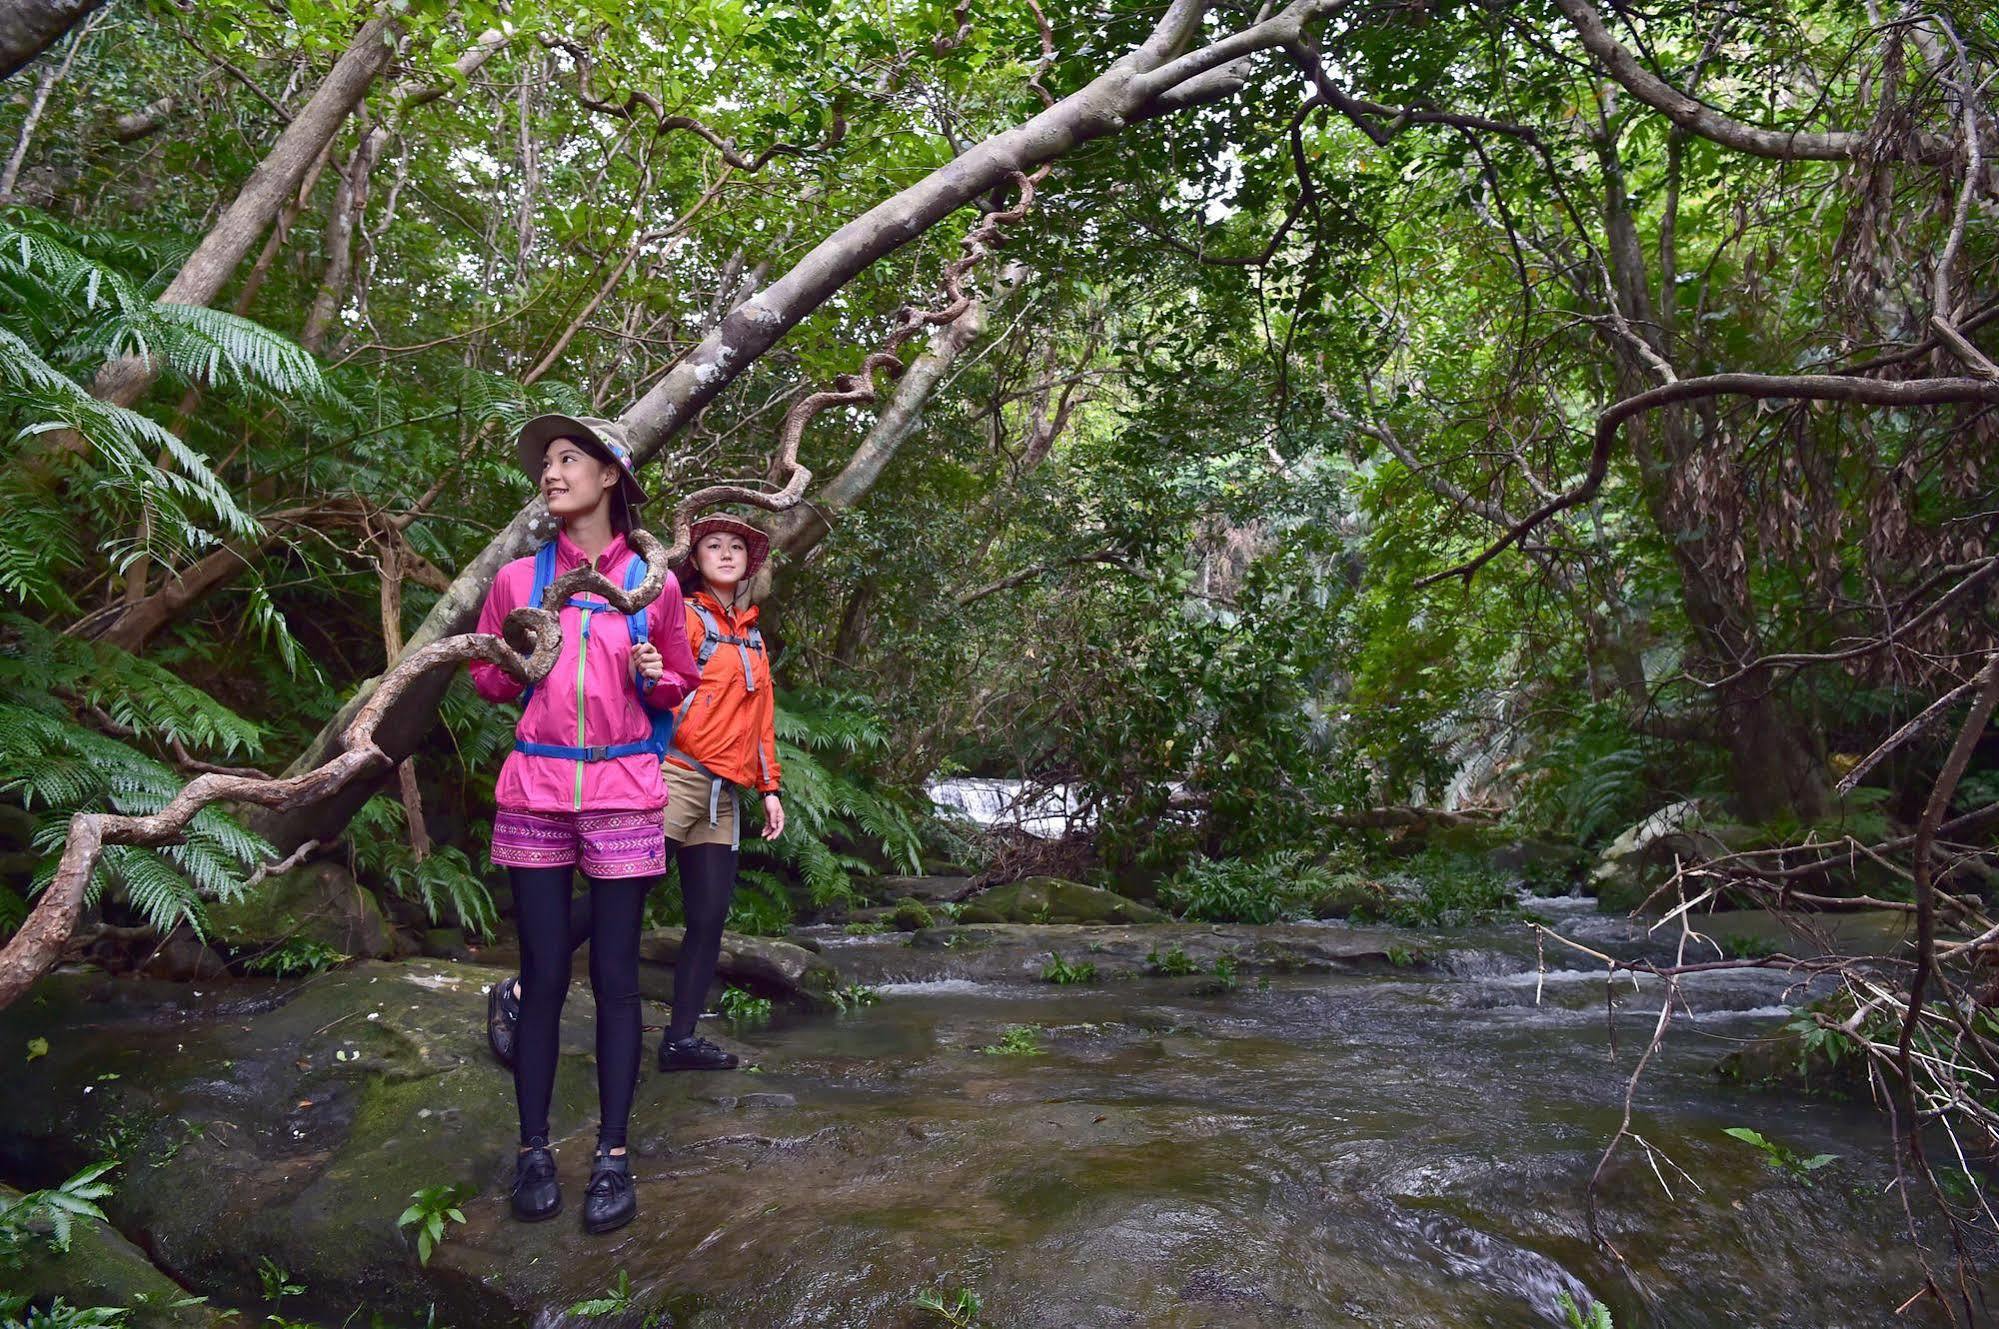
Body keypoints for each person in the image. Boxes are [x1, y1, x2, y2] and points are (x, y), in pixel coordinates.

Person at [468, 413, 699, 1235]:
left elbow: (679, 683)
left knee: (615, 977)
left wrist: (654, 673)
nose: (550, 472)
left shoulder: (653, 582)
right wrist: (508, 655)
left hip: (624, 789)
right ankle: (534, 1149)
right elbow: (490, 685)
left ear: (610, 478)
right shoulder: (518, 581)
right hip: (534, 786)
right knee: (540, 968)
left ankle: (611, 1154)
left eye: (569, 459)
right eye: (546, 462)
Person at [484, 514, 786, 1075]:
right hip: (672, 772)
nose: (725, 555)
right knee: (615, 900)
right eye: (713, 546)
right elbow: (659, 683)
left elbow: (759, 716)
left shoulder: (753, 635)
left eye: (737, 548)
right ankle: (525, 988)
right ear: (693, 559)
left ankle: (681, 1038)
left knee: (710, 913)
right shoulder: (683, 612)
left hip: (725, 790)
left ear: (752, 564)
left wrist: (770, 787)